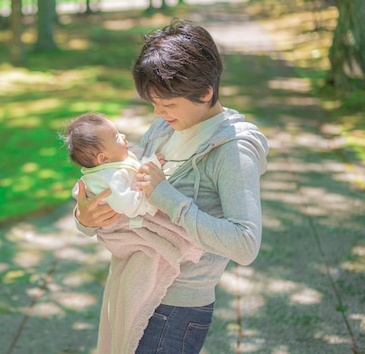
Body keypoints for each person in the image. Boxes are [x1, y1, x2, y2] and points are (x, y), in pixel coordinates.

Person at [74, 18, 269, 354]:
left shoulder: (234, 151)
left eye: (167, 104)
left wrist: (168, 198)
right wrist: (86, 219)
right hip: (134, 289)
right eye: (153, 103)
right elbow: (129, 190)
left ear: (205, 92)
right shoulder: (164, 129)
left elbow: (245, 244)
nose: (157, 112)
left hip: (175, 310)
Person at [64, 112, 204, 354]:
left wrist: (153, 162)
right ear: (102, 157)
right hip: (124, 228)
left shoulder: (114, 163)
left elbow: (135, 166)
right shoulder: (112, 177)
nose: (124, 136)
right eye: (117, 136)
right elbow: (127, 203)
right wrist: (151, 200)